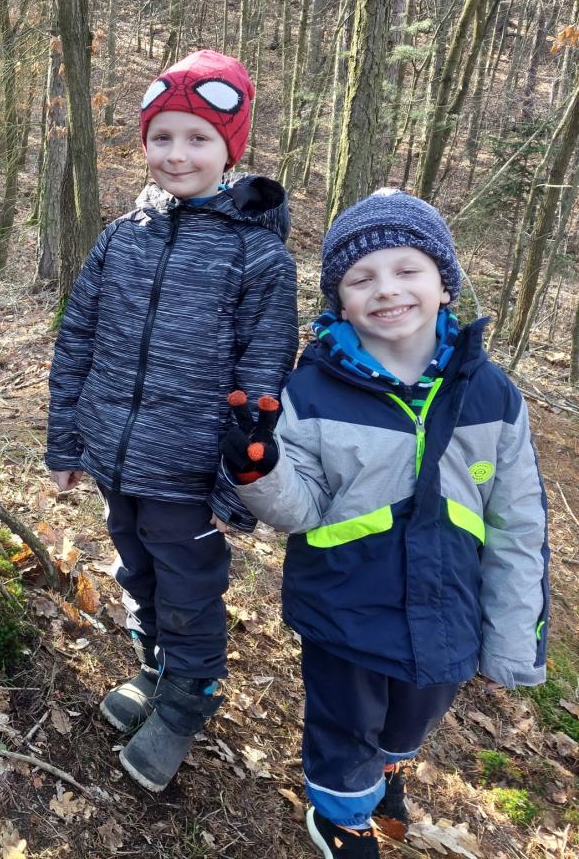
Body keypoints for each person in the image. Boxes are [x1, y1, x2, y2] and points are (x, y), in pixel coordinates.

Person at [222, 190, 550, 858]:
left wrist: (514, 644)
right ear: (340, 300)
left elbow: (519, 526)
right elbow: (302, 509)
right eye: (361, 277)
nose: (387, 289)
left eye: (407, 270)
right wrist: (261, 472)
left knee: (413, 717)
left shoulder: (492, 394)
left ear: (444, 283)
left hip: (451, 612)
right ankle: (341, 815)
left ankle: (389, 769)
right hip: (344, 605)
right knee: (345, 726)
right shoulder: (312, 390)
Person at [45, 49, 299, 793]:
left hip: (190, 474)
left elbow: (263, 381)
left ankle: (187, 704)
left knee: (188, 590)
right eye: (163, 137)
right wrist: (66, 440)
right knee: (137, 571)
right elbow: (78, 338)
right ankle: (155, 671)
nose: (177, 154)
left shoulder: (259, 258)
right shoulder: (121, 236)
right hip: (116, 459)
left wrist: (234, 487)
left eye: (198, 138)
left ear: (230, 149)